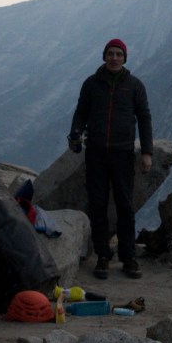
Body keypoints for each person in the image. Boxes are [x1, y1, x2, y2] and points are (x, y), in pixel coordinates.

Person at [68, 38, 153, 280]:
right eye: (110, 53)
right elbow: (81, 112)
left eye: (118, 54)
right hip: (95, 152)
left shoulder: (134, 86)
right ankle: (102, 256)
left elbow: (144, 118)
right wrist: (75, 133)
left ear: (124, 58)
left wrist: (147, 152)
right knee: (98, 205)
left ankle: (128, 257)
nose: (114, 58)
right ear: (104, 56)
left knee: (125, 205)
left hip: (123, 153)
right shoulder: (91, 84)